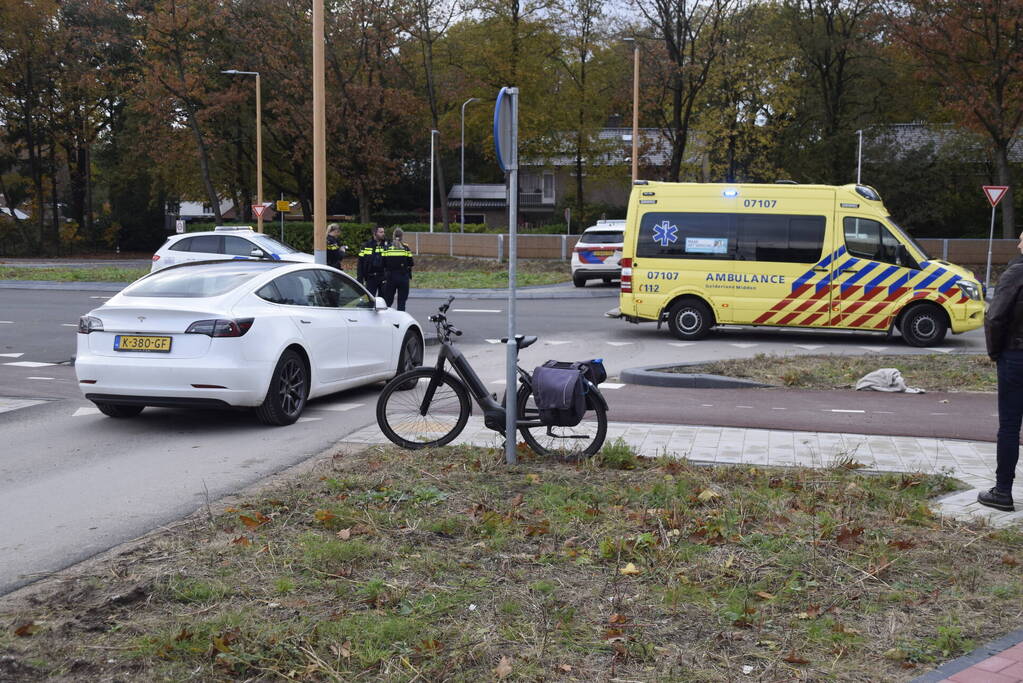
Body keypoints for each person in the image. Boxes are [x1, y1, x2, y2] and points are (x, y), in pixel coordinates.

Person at [982, 231, 1023, 512]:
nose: (1018, 244)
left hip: (1016, 355)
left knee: (1009, 426)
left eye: (1021, 239)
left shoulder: (1015, 274)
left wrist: (995, 352)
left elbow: (995, 317)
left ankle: (1003, 492)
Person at [381, 227, 414, 311]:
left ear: (393, 236)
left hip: (390, 277)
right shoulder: (405, 248)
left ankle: (386, 317)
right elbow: (411, 263)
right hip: (403, 277)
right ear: (402, 236)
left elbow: (383, 263)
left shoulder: (387, 248)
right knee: (401, 303)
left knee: (388, 302)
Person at [357, 225, 390, 297]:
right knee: (370, 299)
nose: (383, 234)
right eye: (381, 232)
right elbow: (360, 263)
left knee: (384, 299)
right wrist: (360, 279)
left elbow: (390, 262)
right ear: (375, 233)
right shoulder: (366, 246)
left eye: (383, 232)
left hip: (383, 277)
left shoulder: (387, 246)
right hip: (370, 277)